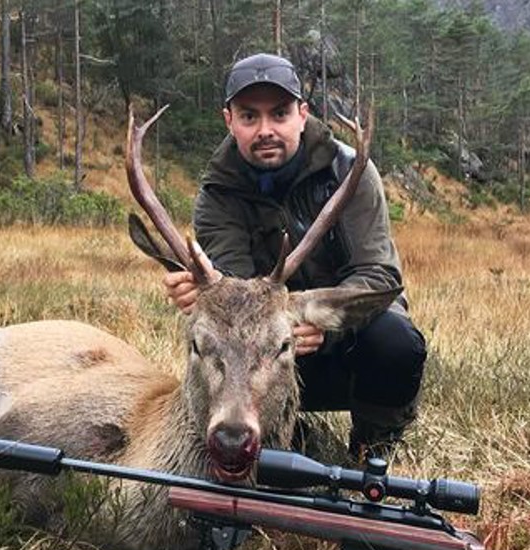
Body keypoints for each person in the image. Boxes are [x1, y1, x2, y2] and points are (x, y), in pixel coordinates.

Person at [162, 52, 426, 461]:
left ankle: (371, 448)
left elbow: (378, 277)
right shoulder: (218, 194)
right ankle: (272, 435)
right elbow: (237, 297)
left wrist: (323, 326)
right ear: (229, 121)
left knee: (395, 342)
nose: (266, 129)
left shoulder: (349, 173)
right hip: (265, 350)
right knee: (219, 343)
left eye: (280, 114)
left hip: (342, 338)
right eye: (249, 116)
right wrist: (207, 294)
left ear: (303, 114)